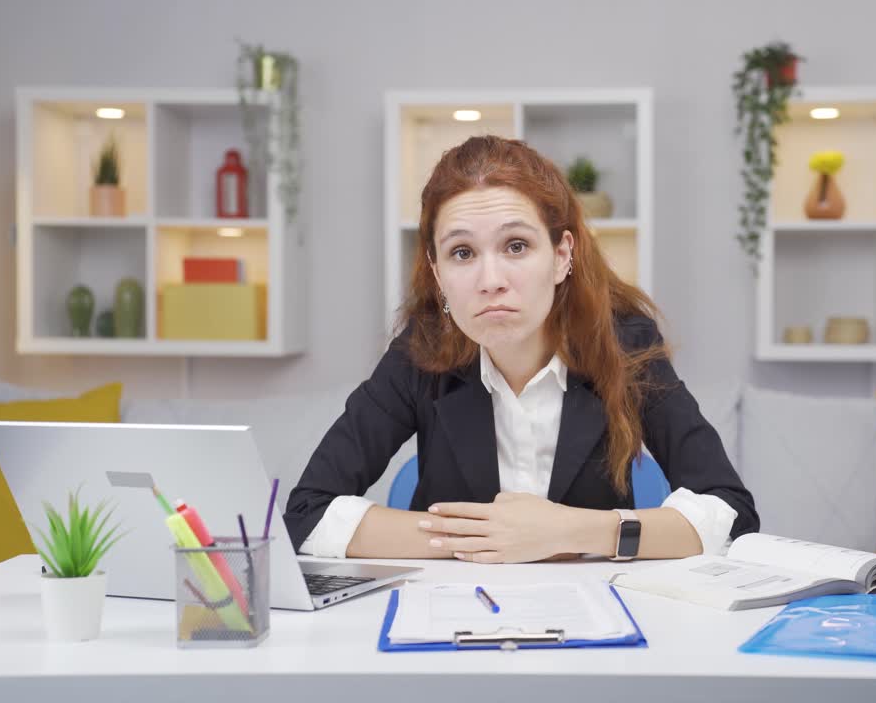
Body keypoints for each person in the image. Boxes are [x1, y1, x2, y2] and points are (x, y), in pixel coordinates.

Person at [284, 135, 757, 563]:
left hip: (594, 611)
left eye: (515, 246)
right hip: (450, 607)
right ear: (437, 271)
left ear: (561, 256)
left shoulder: (624, 343)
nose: (491, 281)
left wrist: (566, 531)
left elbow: (730, 513)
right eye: (462, 253)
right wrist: (488, 538)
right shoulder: (419, 352)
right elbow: (308, 513)